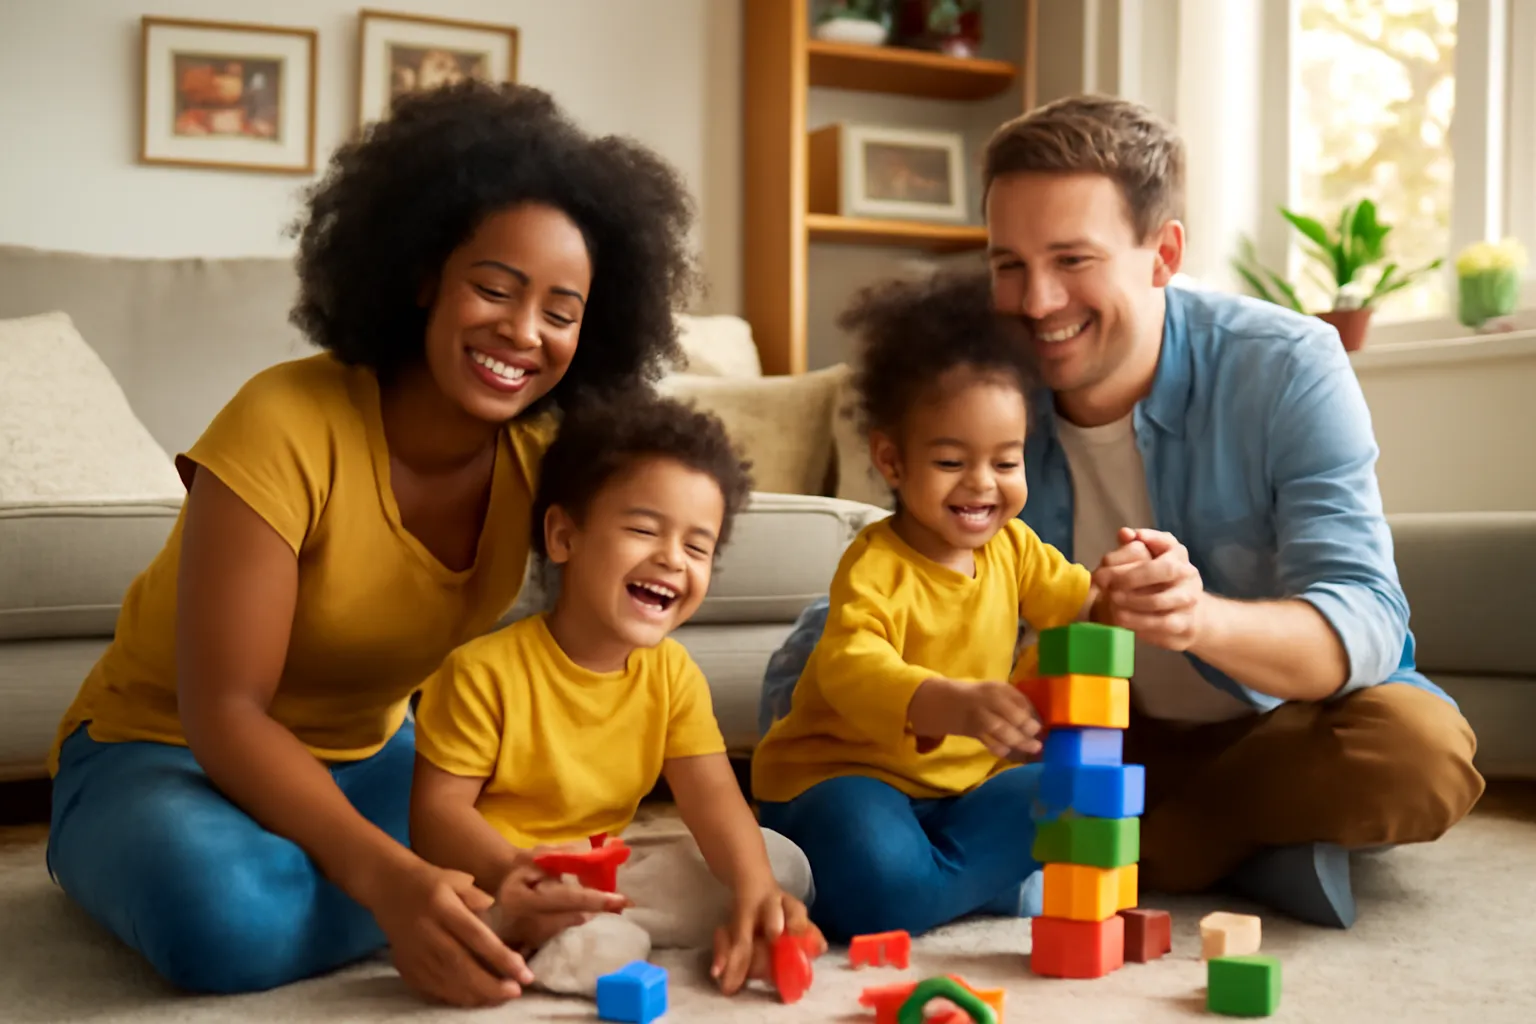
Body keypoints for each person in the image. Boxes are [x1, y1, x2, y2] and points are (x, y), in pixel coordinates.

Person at [758, 94, 1485, 930]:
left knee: (1416, 754)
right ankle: (1238, 849)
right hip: (1085, 733)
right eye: (1007, 265)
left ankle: (1162, 845)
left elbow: (1365, 618)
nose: (1035, 302)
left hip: (1266, 728)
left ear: (1162, 252)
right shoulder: (982, 389)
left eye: (1072, 259)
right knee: (844, 709)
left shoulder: (1288, 368)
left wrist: (1194, 617)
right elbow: (890, 593)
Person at [44, 81, 699, 1005]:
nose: (523, 332)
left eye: (561, 310)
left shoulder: (546, 460)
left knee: (533, 863)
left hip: (370, 762)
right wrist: (395, 883)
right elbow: (227, 711)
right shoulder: (284, 419)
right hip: (161, 754)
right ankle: (125, 862)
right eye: (495, 288)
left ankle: (410, 894)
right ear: (425, 275)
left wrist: (503, 872)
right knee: (222, 918)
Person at [750, 270, 1129, 942]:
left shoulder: (1015, 549)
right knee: (875, 859)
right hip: (841, 780)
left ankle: (930, 886)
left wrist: (1128, 585)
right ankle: (943, 887)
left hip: (960, 795)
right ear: (893, 462)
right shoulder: (878, 563)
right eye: (952, 462)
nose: (983, 484)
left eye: (1005, 462)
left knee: (1081, 794)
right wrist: (948, 702)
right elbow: (849, 665)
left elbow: (1081, 607)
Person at [409, 394, 824, 999]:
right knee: (536, 926)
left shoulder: (672, 674)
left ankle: (607, 927)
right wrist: (514, 872)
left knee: (780, 863)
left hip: (609, 866)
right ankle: (559, 934)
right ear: (563, 537)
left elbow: (713, 800)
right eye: (643, 529)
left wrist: (757, 894)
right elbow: (435, 817)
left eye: (697, 547)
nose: (671, 559)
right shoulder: (482, 672)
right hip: (501, 871)